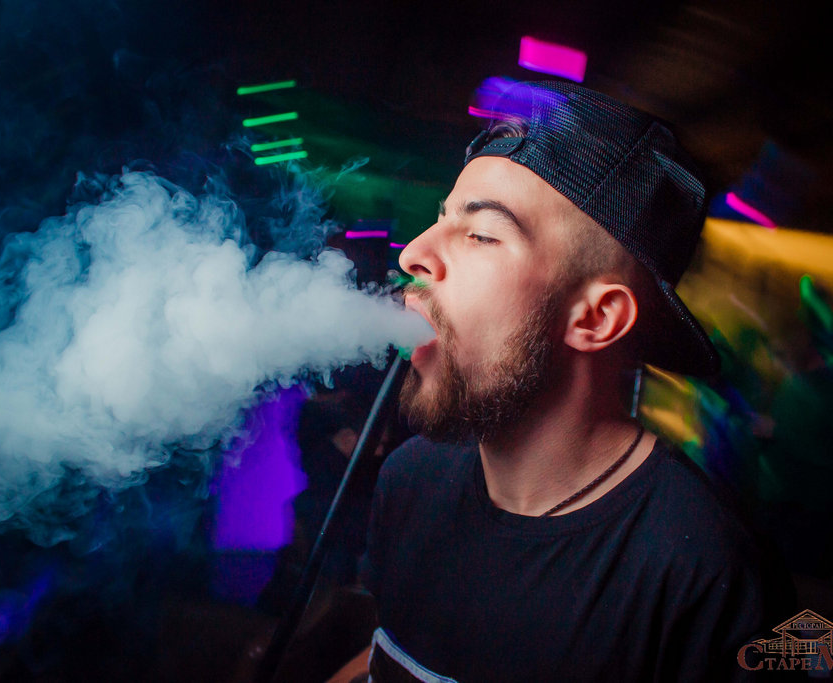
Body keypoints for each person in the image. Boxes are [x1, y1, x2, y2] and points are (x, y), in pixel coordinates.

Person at [329, 80, 792, 683]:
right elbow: (387, 657)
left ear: (595, 318)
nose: (412, 253)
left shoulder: (704, 570)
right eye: (440, 219)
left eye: (481, 234)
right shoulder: (411, 477)